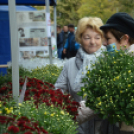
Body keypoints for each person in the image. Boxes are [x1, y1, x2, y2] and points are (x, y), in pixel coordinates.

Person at [55, 17, 106, 134]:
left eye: (97, 37)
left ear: (102, 39)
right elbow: (58, 90)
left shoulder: (110, 62)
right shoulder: (70, 64)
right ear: (80, 39)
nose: (93, 42)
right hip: (77, 127)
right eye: (87, 38)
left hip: (103, 127)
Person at [100, 12, 134, 134]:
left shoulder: (128, 67)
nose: (104, 43)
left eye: (108, 39)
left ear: (124, 39)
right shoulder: (116, 63)